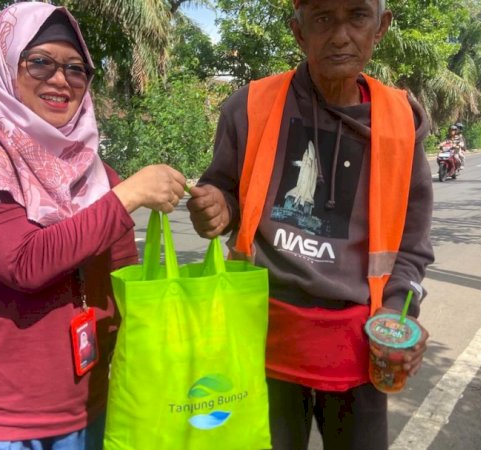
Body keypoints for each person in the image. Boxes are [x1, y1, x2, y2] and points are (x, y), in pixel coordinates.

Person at [0, 3, 186, 449]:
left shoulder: (94, 172)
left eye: (76, 68)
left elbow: (120, 283)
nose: (61, 80)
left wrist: (213, 209)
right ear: (1, 65)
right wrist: (128, 197)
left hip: (85, 408)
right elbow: (24, 262)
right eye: (39, 61)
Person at [186, 0, 433, 449]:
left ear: (381, 27)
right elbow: (224, 190)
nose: (340, 35)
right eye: (322, 19)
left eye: (358, 16)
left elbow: (412, 247)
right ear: (299, 33)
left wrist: (400, 316)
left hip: (360, 347)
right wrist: (217, 207)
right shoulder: (249, 106)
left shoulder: (399, 121)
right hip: (262, 338)